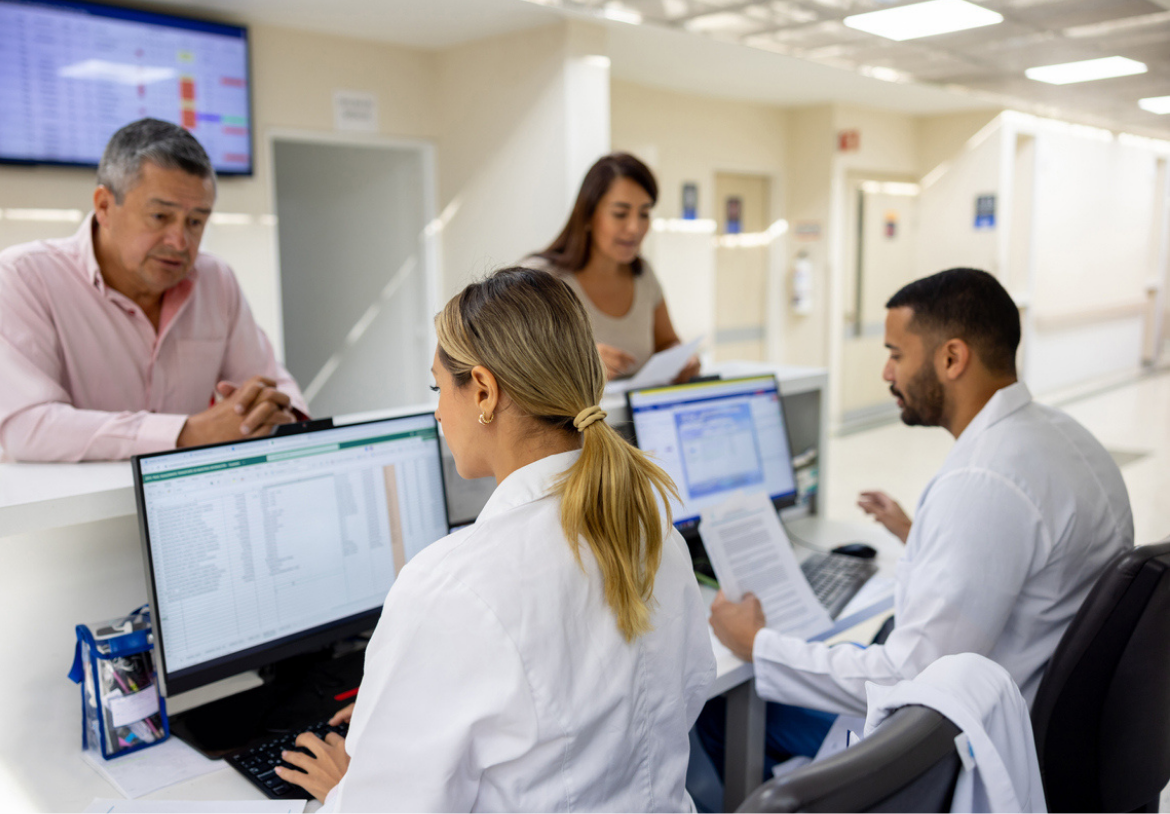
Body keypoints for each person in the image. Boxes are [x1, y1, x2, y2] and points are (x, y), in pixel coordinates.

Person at [272, 267, 716, 811]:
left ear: (483, 389)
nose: (438, 410)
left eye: (440, 388)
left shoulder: (452, 587)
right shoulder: (651, 530)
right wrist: (409, 694)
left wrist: (347, 788)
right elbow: (684, 695)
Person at [706, 268, 1133, 771]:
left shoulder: (984, 481)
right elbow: (1026, 557)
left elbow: (908, 679)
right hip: (1064, 724)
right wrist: (920, 535)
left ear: (951, 358)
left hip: (971, 746)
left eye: (895, 354)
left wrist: (758, 645)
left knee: (721, 714)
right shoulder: (1063, 436)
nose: (887, 373)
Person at [0, 118, 306, 462]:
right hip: (74, 510)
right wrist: (187, 433)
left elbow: (274, 384)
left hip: (183, 506)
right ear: (104, 206)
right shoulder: (26, 276)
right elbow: (28, 427)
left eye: (195, 222)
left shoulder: (216, 280)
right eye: (160, 217)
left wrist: (276, 414)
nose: (180, 242)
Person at [522, 153, 700, 382]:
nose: (635, 228)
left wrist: (681, 358)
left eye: (644, 213)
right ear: (587, 215)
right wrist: (578, 361)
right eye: (620, 214)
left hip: (636, 415)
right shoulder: (539, 279)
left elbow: (666, 342)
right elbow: (511, 361)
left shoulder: (643, 275)